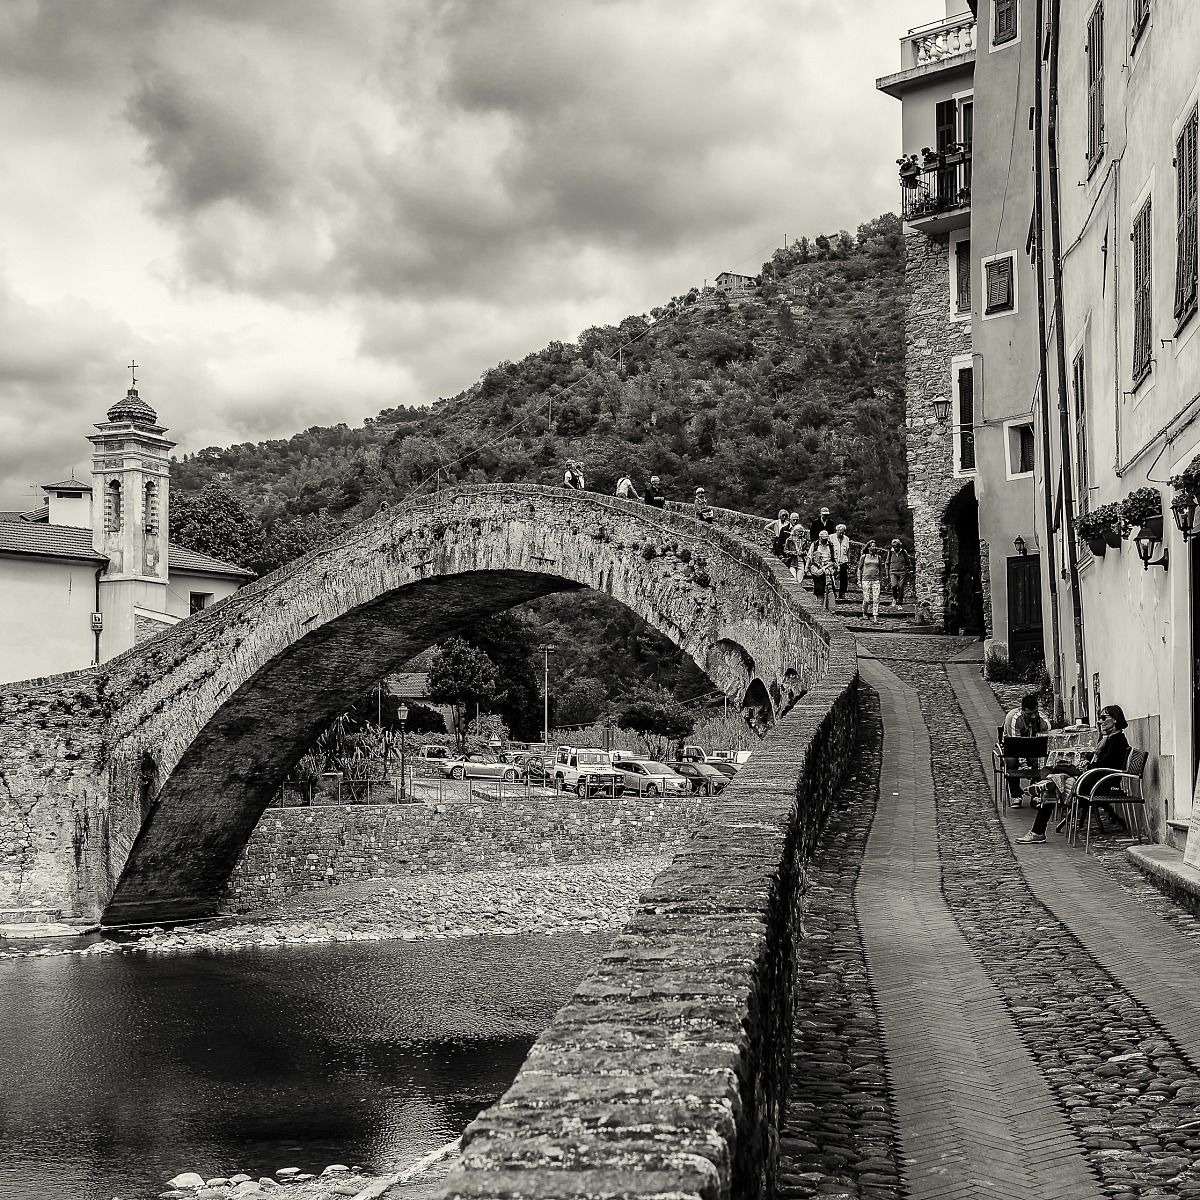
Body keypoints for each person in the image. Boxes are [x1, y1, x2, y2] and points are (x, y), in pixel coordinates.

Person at [1018, 705, 1132, 843]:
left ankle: (1038, 830)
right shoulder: (1108, 739)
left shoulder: (1117, 740)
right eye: (1099, 718)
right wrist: (1087, 762)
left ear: (1115, 719)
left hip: (1099, 782)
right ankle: (1046, 783)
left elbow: (1105, 765)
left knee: (1055, 778)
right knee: (1052, 770)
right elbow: (1099, 762)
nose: (1099, 721)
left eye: (1103, 718)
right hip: (1092, 777)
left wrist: (1087, 766)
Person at [1001, 693, 1050, 808]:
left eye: (1035, 713)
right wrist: (1023, 764)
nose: (1033, 716)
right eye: (1029, 714)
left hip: (1034, 751)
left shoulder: (1043, 720)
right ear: (1022, 710)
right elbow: (1015, 744)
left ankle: (1035, 793)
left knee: (1041, 760)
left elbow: (1046, 742)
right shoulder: (1013, 718)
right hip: (1014, 750)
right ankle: (1016, 795)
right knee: (1011, 761)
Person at [806, 529, 837, 609]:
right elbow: (809, 556)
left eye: (826, 539)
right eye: (823, 539)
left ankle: (830, 607)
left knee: (830, 587)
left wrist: (834, 566)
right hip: (819, 567)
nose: (825, 540)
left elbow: (834, 556)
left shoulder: (830, 545)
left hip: (829, 567)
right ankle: (823, 607)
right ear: (820, 538)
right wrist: (806, 567)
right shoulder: (815, 544)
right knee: (821, 587)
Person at [857, 538, 884, 623]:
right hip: (866, 580)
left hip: (876, 580)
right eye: (872, 546)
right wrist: (859, 580)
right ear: (868, 547)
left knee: (876, 599)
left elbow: (881, 569)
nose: (874, 548)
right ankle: (865, 612)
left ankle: (875, 616)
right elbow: (859, 569)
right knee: (867, 600)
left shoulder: (878, 557)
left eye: (875, 546)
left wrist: (880, 579)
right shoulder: (864, 557)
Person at [886, 539, 912, 607]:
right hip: (893, 571)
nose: (896, 548)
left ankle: (900, 603)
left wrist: (910, 568)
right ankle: (894, 598)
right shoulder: (890, 552)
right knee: (894, 585)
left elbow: (908, 561)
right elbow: (887, 562)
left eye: (897, 547)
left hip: (902, 571)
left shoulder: (903, 552)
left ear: (899, 546)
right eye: (894, 547)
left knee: (901, 587)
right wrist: (887, 572)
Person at [831, 523, 853, 600]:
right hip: (834, 560)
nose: (841, 534)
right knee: (832, 577)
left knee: (844, 578)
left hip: (843, 560)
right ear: (836, 531)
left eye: (843, 532)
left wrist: (848, 561)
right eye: (840, 532)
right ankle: (832, 592)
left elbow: (848, 550)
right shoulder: (831, 537)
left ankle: (842, 593)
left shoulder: (846, 539)